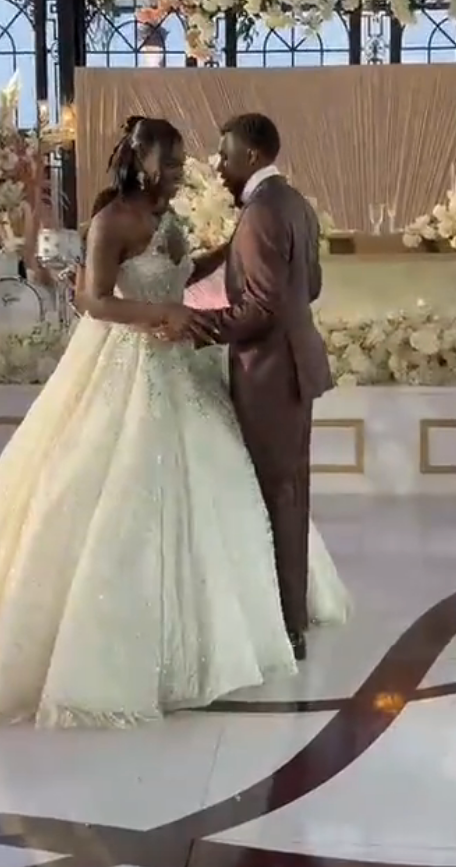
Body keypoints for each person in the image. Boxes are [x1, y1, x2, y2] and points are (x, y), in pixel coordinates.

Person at [0, 116, 348, 728]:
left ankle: (263, 617)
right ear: (142, 163)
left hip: (181, 364)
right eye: (172, 166)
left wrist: (220, 258)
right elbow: (91, 299)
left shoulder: (166, 215)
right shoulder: (112, 220)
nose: (182, 176)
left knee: (230, 486)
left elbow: (183, 271)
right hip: (128, 359)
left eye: (184, 166)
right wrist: (164, 313)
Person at [178, 114, 331, 663]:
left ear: (250, 155)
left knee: (277, 498)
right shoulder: (294, 203)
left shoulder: (263, 212)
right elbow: (308, 285)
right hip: (292, 364)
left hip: (270, 371)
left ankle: (287, 629)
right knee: (288, 495)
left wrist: (196, 326)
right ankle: (292, 616)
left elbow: (262, 306)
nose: (217, 166)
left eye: (223, 155)